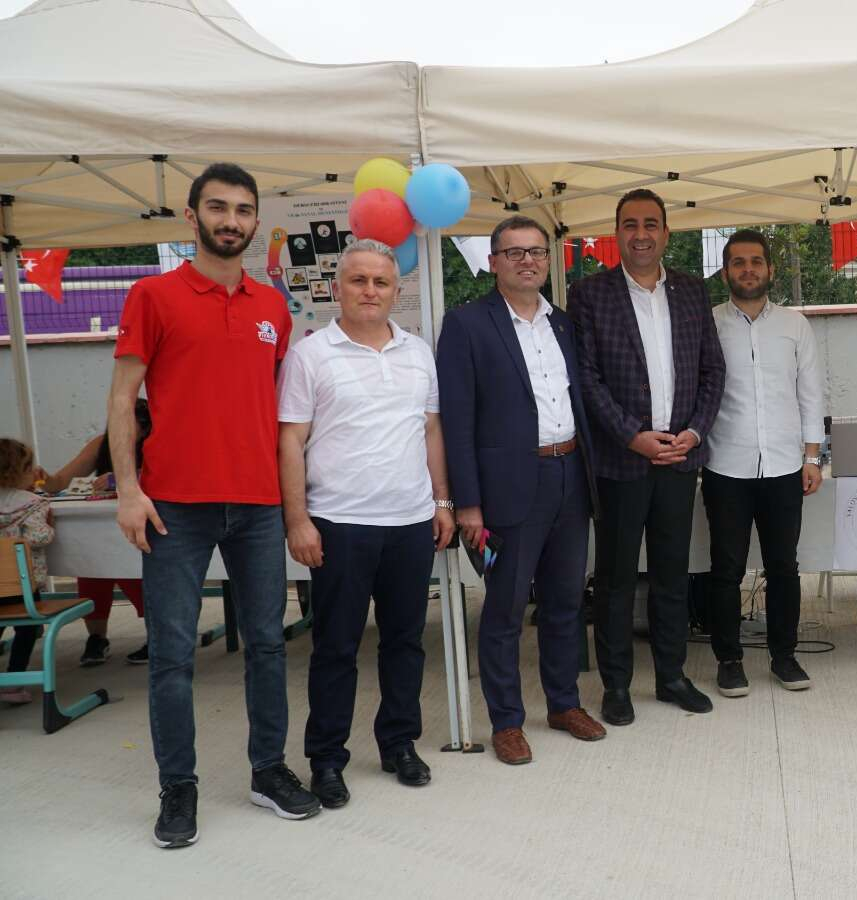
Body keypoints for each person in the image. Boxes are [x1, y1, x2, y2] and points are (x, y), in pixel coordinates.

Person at [109, 163, 320, 849]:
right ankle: (178, 787)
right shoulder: (153, 295)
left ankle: (268, 770)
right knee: (172, 656)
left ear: (256, 221)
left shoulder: (272, 307)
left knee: (268, 645)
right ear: (192, 215)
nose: (231, 221)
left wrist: (294, 503)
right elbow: (122, 400)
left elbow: (281, 410)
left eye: (243, 210)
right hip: (174, 505)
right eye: (218, 207)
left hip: (257, 503)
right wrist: (129, 490)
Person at [278, 239, 454, 805]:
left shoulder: (418, 353)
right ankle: (327, 759)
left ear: (397, 291)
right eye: (358, 280)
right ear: (338, 288)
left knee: (405, 643)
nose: (370, 291)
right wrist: (297, 519)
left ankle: (399, 743)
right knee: (335, 648)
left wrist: (442, 502)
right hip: (339, 524)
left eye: (381, 282)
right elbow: (291, 440)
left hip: (409, 522)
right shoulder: (310, 355)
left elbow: (430, 430)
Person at [437, 215, 605, 765]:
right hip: (505, 492)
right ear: (493, 262)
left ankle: (563, 703)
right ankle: (506, 720)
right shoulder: (466, 324)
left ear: (548, 260)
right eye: (514, 253)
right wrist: (467, 504)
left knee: (564, 602)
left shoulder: (564, 325)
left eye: (536, 251)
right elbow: (457, 420)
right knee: (505, 608)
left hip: (569, 477)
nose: (527, 261)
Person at [569, 188, 727, 726]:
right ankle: (616, 684)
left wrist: (695, 432)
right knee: (614, 579)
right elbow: (586, 379)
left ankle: (671, 675)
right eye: (631, 224)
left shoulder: (692, 291)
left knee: (672, 574)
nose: (641, 234)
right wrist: (631, 435)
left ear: (666, 232)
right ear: (617, 233)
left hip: (679, 460)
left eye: (651, 224)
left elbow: (712, 370)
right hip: (621, 462)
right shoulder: (589, 294)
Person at [702, 230, 825, 697]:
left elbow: (810, 393)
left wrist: (812, 456)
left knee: (784, 568)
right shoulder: (709, 324)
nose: (748, 269)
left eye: (756, 261)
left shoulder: (795, 325)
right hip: (724, 465)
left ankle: (784, 656)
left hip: (784, 467)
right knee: (725, 570)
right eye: (738, 262)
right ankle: (728, 660)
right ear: (726, 271)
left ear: (770, 269)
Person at [41, 400, 153, 666]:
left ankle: (157, 634)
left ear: (145, 426)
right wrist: (42, 478)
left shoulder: (157, 443)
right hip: (105, 521)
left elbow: (167, 475)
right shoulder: (101, 443)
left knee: (132, 571)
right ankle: (97, 638)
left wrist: (122, 478)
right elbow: (61, 481)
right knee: (90, 567)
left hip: (143, 523)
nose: (118, 428)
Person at [0, 438, 50, 705]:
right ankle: (13, 682)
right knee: (28, 628)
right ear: (20, 471)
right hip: (24, 588)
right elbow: (39, 537)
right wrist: (50, 527)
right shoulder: (32, 503)